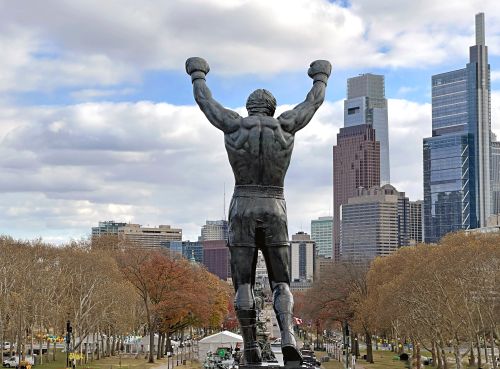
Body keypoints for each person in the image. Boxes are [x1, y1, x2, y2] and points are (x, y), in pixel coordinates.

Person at [186, 57, 331, 366]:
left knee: (243, 284)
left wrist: (198, 73)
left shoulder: (234, 125)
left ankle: (251, 347)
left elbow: (205, 101)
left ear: (249, 107)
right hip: (275, 205)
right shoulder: (286, 126)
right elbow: (313, 102)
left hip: (242, 205)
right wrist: (321, 76)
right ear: (272, 109)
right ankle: (288, 337)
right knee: (281, 282)